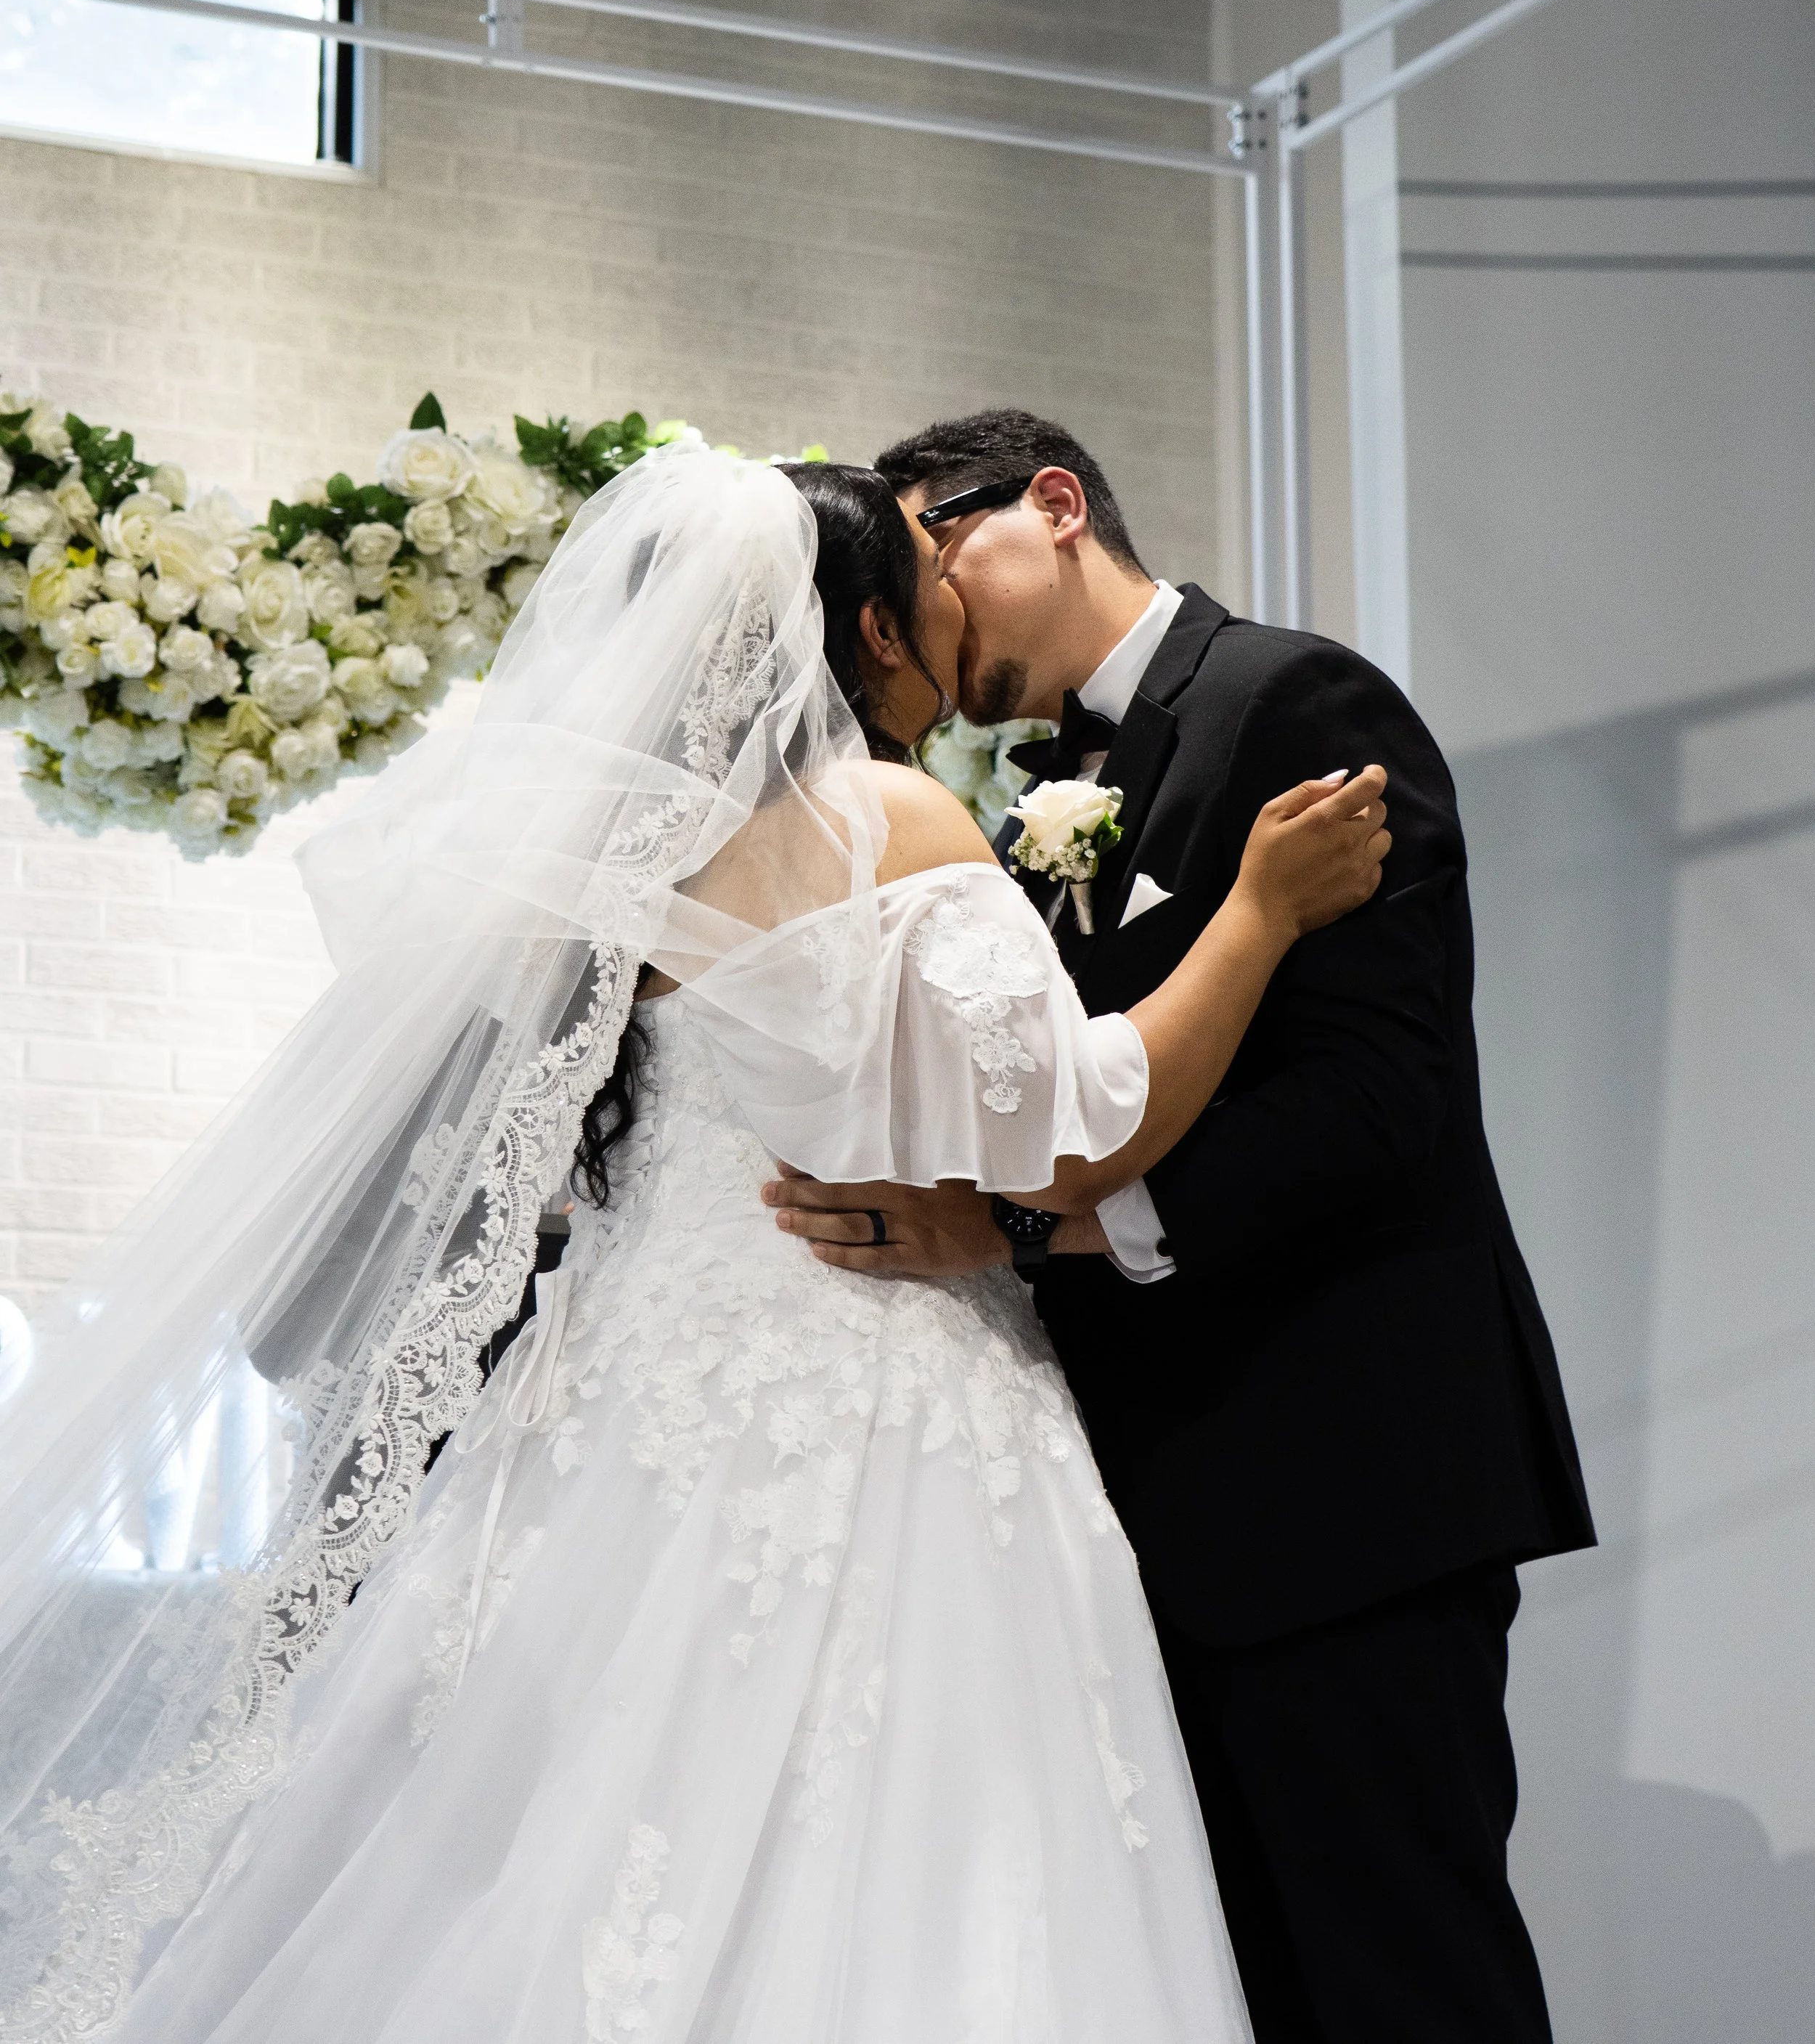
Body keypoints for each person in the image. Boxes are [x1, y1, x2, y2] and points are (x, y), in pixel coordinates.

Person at [0, 446, 1387, 2044]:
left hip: (617, 1399)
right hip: (868, 1389)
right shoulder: (887, 816)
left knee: (561, 1834)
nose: (951, 613)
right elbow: (1082, 1127)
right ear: (868, 632)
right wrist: (1259, 917)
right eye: (929, 588)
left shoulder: (616, 868)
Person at [766, 410, 1596, 2044]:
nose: (928, 606)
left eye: (937, 551)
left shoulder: (1295, 699)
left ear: (1051, 506)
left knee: (1393, 1974)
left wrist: (1017, 1240)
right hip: (1147, 1517)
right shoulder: (1023, 796)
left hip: (1335, 1486)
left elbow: (1375, 1109)